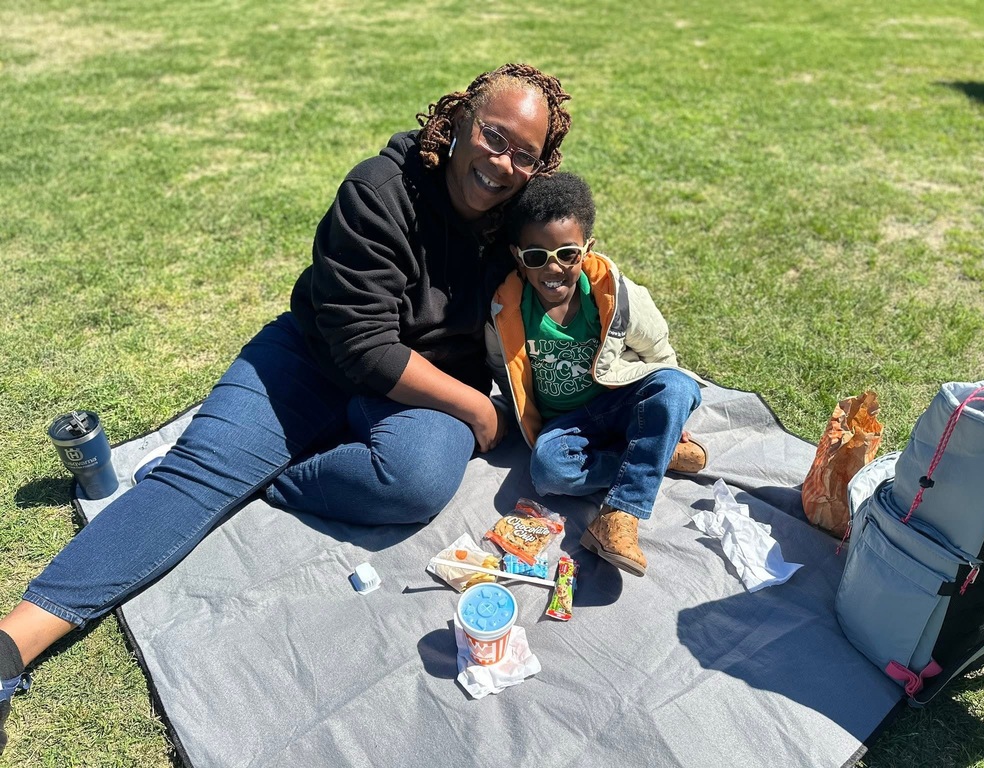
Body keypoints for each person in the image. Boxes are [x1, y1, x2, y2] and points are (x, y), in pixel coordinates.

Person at [0, 63, 573, 754]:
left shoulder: (521, 217)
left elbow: (576, 284)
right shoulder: (379, 190)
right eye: (493, 134)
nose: (502, 162)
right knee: (193, 480)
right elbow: (363, 348)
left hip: (421, 390)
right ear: (454, 123)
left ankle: (272, 477)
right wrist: (476, 412)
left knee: (418, 476)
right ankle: (11, 646)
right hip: (316, 358)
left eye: (525, 154)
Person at [485, 172, 707, 578]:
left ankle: (619, 515)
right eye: (537, 257)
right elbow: (504, 373)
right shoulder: (506, 312)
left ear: (587, 249)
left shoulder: (618, 296)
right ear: (518, 256)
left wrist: (670, 415)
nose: (553, 268)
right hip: (567, 426)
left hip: (618, 403)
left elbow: (660, 354)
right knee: (547, 471)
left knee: (679, 386)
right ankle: (653, 453)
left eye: (567, 254)